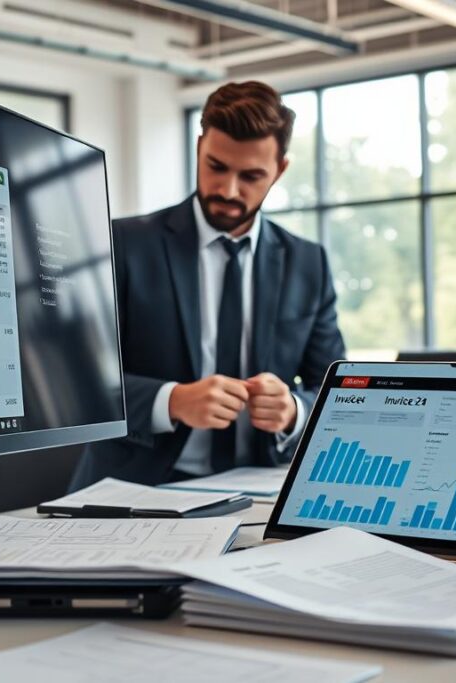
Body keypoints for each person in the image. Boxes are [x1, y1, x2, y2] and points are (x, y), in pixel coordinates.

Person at [70, 81, 346, 488]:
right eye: (216, 166)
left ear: (280, 169)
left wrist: (293, 409)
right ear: (199, 148)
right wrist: (172, 401)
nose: (228, 190)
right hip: (134, 489)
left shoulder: (308, 263)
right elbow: (80, 380)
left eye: (251, 175)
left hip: (258, 489)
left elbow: (335, 389)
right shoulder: (124, 244)